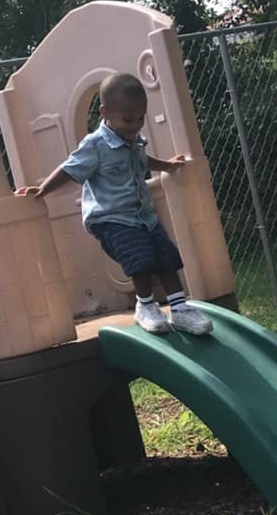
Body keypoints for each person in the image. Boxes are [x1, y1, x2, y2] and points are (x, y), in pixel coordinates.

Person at [17, 72, 213, 336]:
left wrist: (167, 166)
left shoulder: (135, 141)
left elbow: (143, 161)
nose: (135, 125)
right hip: (111, 218)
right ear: (105, 112)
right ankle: (145, 307)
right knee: (140, 259)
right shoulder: (96, 145)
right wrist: (42, 190)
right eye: (128, 119)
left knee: (167, 257)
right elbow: (69, 169)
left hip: (143, 216)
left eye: (141, 118)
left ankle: (180, 310)